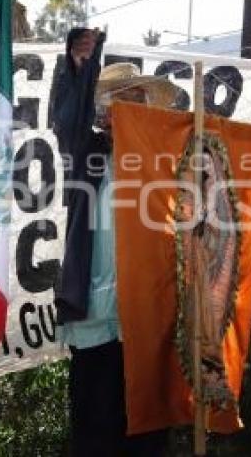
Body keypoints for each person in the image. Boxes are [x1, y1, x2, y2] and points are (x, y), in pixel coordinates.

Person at [52, 28, 177, 456]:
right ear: (101, 114)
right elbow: (66, 122)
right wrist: (79, 69)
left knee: (147, 432)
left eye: (135, 99)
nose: (124, 110)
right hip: (95, 320)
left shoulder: (168, 164)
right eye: (114, 101)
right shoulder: (84, 156)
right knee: (95, 429)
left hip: (148, 319)